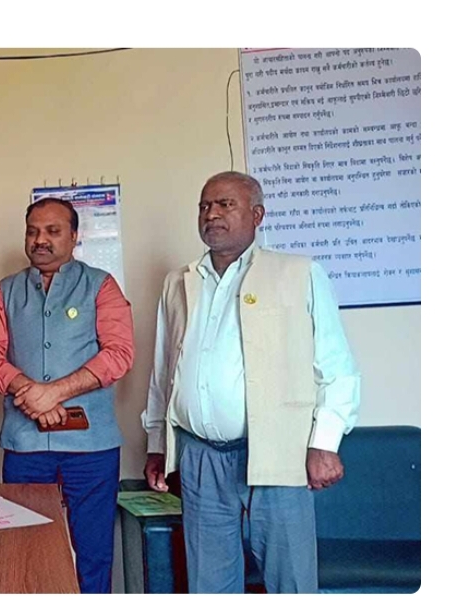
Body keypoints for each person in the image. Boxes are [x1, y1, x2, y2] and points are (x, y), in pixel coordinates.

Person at [141, 171, 361, 593]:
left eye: (226, 204)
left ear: (257, 215)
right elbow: (163, 371)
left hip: (277, 451)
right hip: (200, 457)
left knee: (290, 581)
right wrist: (156, 443)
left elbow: (336, 367)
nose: (212, 214)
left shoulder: (299, 273)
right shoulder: (179, 282)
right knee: (208, 584)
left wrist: (325, 443)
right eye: (205, 206)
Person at [0, 197, 135, 594]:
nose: (40, 240)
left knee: (93, 551)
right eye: (33, 232)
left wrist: (54, 393)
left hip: (91, 446)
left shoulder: (101, 285)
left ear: (74, 236)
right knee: (26, 548)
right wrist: (28, 391)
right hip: (25, 445)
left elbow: (119, 353)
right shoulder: (6, 291)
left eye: (52, 231)